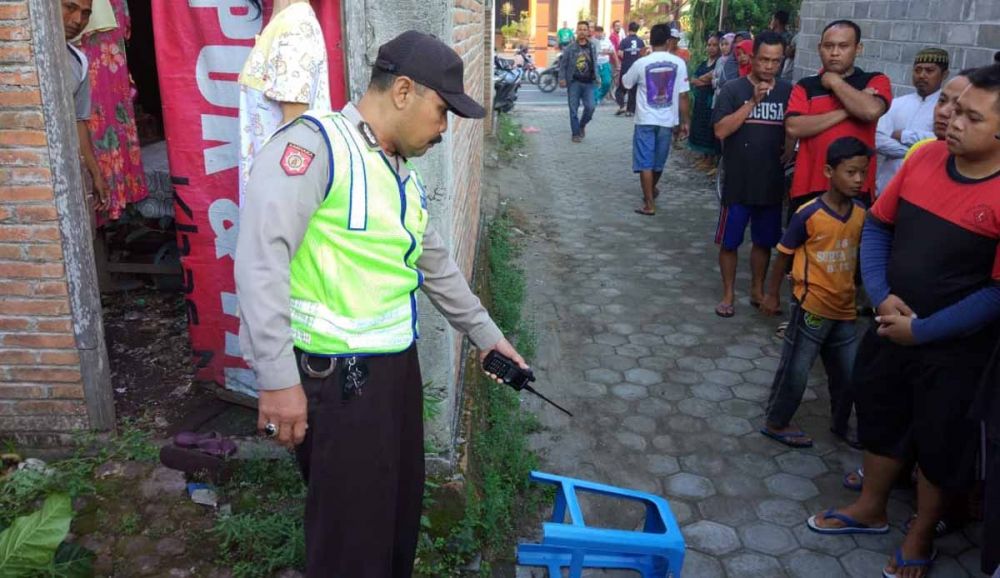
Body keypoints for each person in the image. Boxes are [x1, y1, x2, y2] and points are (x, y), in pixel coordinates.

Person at [235, 30, 528, 577]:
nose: (444, 129)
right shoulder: (315, 148)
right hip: (337, 383)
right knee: (351, 543)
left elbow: (432, 263)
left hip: (394, 373)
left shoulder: (399, 175)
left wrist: (488, 337)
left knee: (395, 519)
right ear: (403, 91)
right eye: (442, 112)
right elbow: (259, 261)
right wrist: (276, 379)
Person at [807, 64, 1000, 578]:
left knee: (940, 440)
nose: (952, 120)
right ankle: (870, 507)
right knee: (881, 415)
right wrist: (881, 294)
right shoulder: (925, 157)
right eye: (954, 109)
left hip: (955, 349)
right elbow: (878, 226)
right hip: (891, 324)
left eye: (972, 116)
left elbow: (997, 293)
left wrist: (924, 331)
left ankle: (921, 532)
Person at [759, 137, 869, 447]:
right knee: (796, 370)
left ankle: (840, 423)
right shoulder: (809, 214)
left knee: (848, 374)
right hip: (811, 308)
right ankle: (776, 421)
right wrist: (772, 294)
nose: (858, 179)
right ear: (829, 172)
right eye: (850, 172)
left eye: (863, 172)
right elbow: (783, 255)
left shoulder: (861, 214)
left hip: (845, 309)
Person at [712, 31, 793, 318]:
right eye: (764, 60)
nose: (769, 66)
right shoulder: (733, 90)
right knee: (730, 242)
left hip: (770, 183)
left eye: (776, 61)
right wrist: (752, 103)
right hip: (738, 183)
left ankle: (758, 290)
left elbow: (794, 126)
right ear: (752, 57)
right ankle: (728, 294)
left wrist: (790, 147)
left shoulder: (788, 91)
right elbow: (721, 130)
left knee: (764, 241)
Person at [786, 19, 891, 217]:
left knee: (852, 237)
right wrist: (848, 110)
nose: (834, 52)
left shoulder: (875, 80)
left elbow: (870, 111)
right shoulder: (806, 86)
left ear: (858, 48)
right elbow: (794, 127)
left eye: (843, 46)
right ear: (819, 48)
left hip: (856, 188)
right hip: (809, 186)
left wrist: (835, 82)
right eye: (828, 46)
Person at [238, 0, 330, 207]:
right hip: (268, 198)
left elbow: (295, 136)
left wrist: (275, 216)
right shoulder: (284, 22)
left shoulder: (294, 26)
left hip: (277, 203)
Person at [75, 0, 148, 221]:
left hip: (100, 22)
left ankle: (112, 195)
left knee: (103, 102)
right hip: (91, 22)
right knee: (92, 104)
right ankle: (106, 195)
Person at [622, 24, 690, 216]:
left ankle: (649, 203)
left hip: (645, 119)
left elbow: (626, 83)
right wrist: (686, 121)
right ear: (669, 41)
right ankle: (651, 190)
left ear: (650, 41)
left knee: (645, 162)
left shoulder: (642, 63)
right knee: (658, 162)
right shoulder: (679, 63)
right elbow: (684, 95)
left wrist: (640, 58)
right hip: (667, 121)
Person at [874, 48, 948, 195]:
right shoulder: (896, 103)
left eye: (929, 70)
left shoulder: (947, 108)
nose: (922, 75)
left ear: (944, 74)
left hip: (924, 189)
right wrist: (912, 152)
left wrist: (904, 135)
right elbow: (878, 140)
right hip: (886, 186)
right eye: (917, 70)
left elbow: (942, 142)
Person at [62, 0, 109, 214]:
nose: (77, 20)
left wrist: (95, 173)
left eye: (86, 14)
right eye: (70, 7)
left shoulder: (78, 61)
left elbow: (78, 121)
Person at [559, 21, 600, 142]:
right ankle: (575, 133)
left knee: (591, 107)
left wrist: (597, 77)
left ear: (588, 32)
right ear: (577, 31)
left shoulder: (592, 46)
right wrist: (562, 78)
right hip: (574, 82)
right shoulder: (570, 48)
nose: (582, 31)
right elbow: (563, 64)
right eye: (580, 29)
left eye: (584, 29)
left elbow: (595, 63)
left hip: (589, 83)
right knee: (573, 109)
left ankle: (582, 125)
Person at [688, 33, 721, 170]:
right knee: (700, 126)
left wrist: (700, 80)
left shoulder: (720, 63)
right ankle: (704, 157)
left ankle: (710, 160)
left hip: (710, 101)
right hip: (700, 100)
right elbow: (693, 80)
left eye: (715, 45)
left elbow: (712, 80)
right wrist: (703, 80)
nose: (711, 48)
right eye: (709, 45)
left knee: (709, 128)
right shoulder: (703, 63)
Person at [616, 22, 645, 117]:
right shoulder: (640, 42)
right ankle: (630, 111)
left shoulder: (624, 41)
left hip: (626, 67)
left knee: (621, 88)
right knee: (633, 89)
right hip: (637, 67)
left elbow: (620, 53)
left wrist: (626, 58)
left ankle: (622, 105)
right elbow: (643, 54)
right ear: (637, 30)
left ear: (628, 29)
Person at [592, 26, 617, 104]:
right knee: (595, 83)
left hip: (605, 64)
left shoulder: (607, 41)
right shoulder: (592, 41)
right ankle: (595, 99)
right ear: (595, 32)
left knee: (607, 82)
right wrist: (599, 52)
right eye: (597, 32)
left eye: (600, 32)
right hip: (595, 65)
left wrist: (617, 63)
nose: (599, 34)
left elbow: (613, 52)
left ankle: (599, 96)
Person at [713, 32, 739, 97]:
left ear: (733, 45)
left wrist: (718, 81)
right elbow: (714, 77)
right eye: (722, 44)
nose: (723, 47)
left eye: (727, 44)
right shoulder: (719, 60)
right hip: (718, 96)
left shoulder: (736, 60)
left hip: (731, 95)